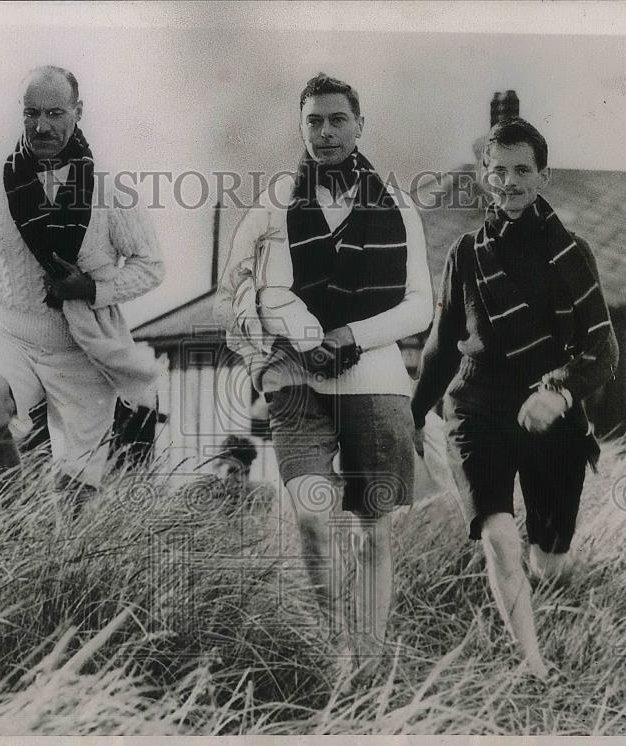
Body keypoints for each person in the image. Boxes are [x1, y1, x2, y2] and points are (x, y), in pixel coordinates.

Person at [215, 73, 433, 678]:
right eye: (315, 121)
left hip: (376, 377)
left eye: (339, 120)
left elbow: (421, 307)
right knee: (311, 518)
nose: (327, 131)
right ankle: (336, 643)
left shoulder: (395, 205)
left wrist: (351, 335)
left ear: (359, 126)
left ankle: (367, 661)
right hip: (295, 382)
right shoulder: (274, 203)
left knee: (373, 533)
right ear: (301, 127)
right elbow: (231, 290)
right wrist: (278, 342)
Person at [410, 117, 619, 679]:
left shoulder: (573, 254)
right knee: (500, 539)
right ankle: (535, 668)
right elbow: (440, 347)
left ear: (543, 176)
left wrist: (561, 391)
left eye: (521, 170)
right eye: (496, 171)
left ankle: (555, 615)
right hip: (477, 408)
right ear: (483, 176)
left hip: (548, 416)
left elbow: (604, 351)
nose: (508, 183)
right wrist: (411, 413)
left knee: (549, 560)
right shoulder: (465, 254)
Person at [0, 65, 164, 494]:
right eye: (31, 113)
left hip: (83, 346)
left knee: (76, 494)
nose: (41, 126)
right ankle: (12, 527)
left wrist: (94, 289)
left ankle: (58, 551)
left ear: (77, 112)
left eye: (55, 113)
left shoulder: (110, 188)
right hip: (10, 332)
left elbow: (150, 266)